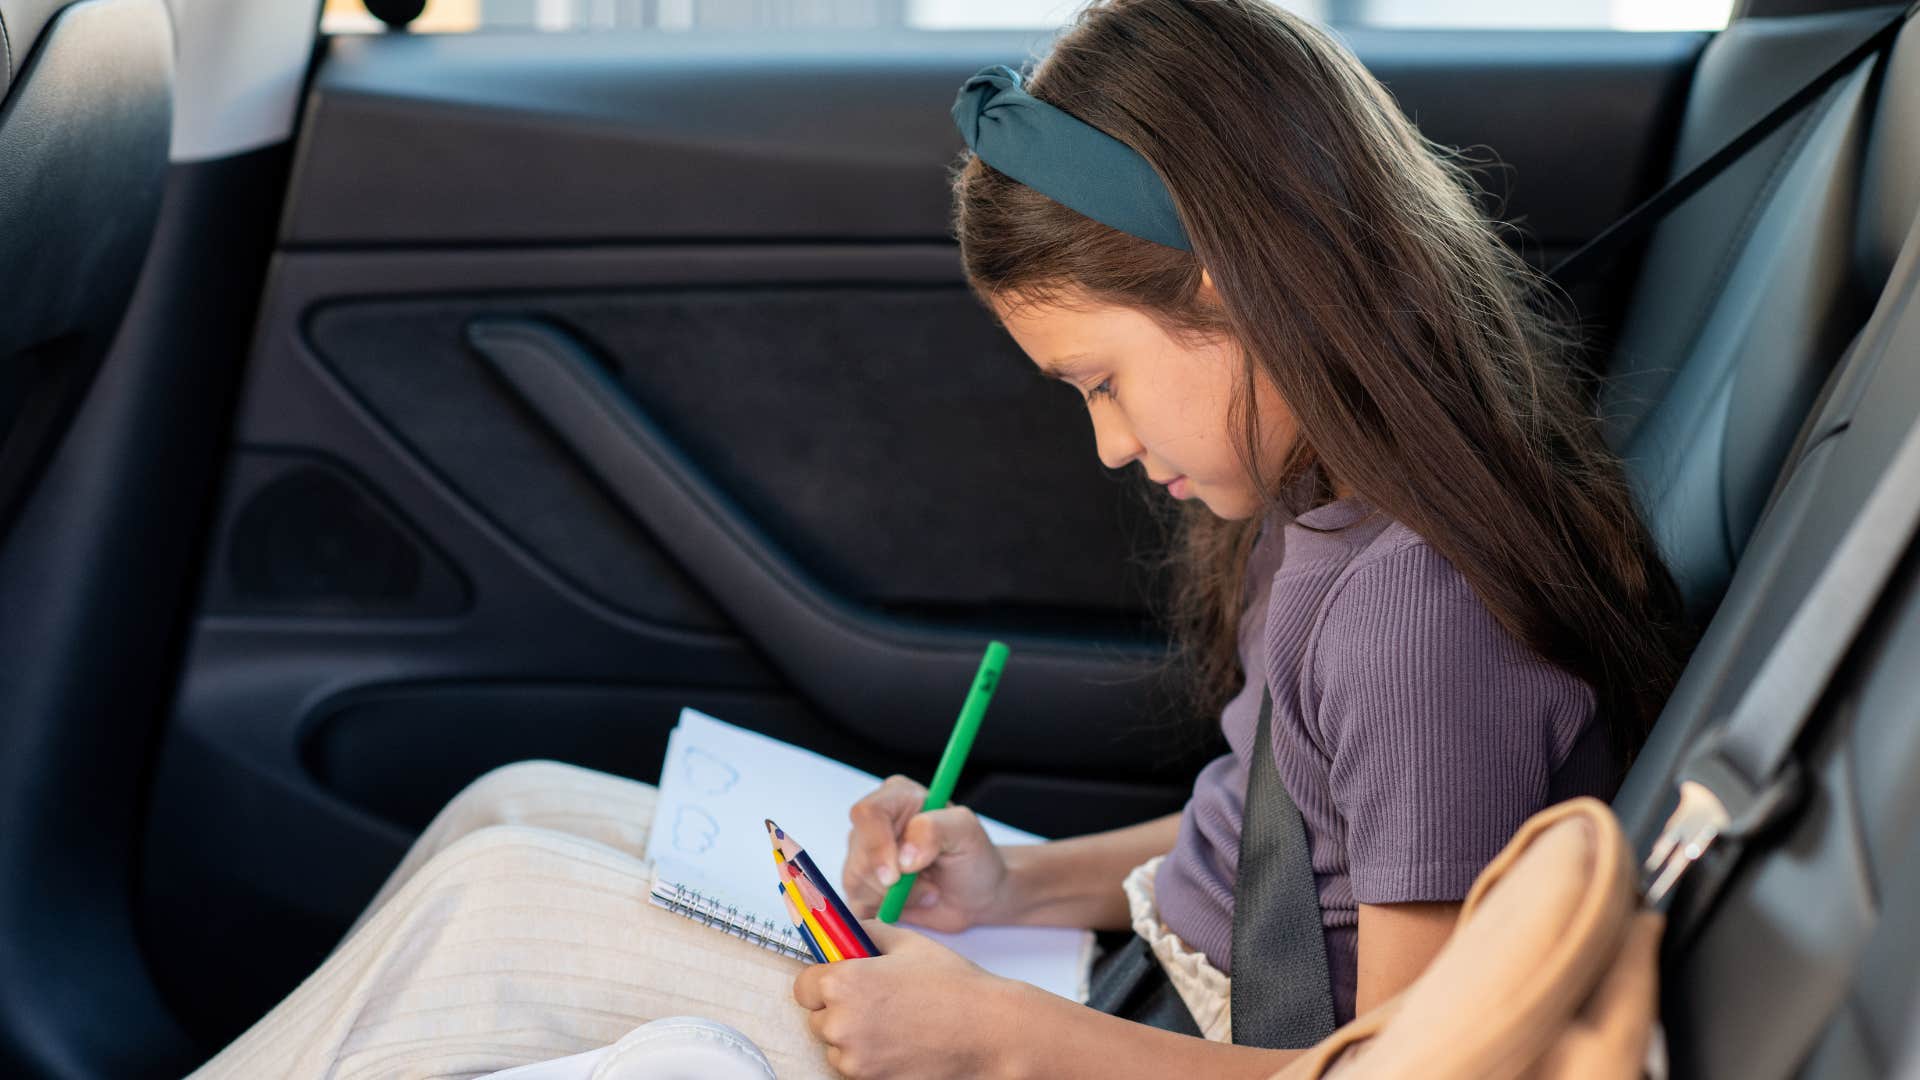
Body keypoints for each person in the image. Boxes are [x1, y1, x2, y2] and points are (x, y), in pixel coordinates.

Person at [187, 1, 1693, 1077]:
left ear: (1240, 285)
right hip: (1139, 987)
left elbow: (1423, 1063)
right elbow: (1295, 840)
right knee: (511, 809)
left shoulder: (1423, 619)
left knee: (502, 921)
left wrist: (1012, 1049)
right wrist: (1020, 889)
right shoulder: (1335, 523)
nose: (1109, 446)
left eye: (1102, 384)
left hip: (1160, 1048)